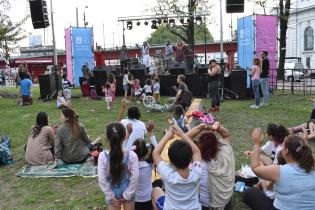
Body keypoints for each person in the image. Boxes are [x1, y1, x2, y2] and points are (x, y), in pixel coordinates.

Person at [248, 128, 315, 210]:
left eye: (283, 146)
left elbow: (255, 168)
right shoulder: (311, 167)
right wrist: (304, 142)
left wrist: (256, 144)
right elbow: (306, 152)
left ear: (286, 151)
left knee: (251, 192)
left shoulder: (280, 171)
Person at [151, 125, 202, 210]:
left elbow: (155, 153)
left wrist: (167, 135)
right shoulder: (197, 172)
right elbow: (196, 152)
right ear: (190, 159)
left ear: (170, 161)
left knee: (155, 190)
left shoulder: (168, 174)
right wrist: (182, 134)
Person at [188, 123, 234, 210]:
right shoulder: (225, 153)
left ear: (199, 146)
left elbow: (186, 138)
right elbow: (226, 135)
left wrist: (201, 127)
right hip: (224, 203)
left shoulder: (198, 162)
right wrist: (217, 127)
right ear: (217, 144)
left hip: (206, 206)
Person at [98, 122, 139, 210]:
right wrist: (127, 194)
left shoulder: (102, 156)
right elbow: (135, 177)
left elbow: (102, 179)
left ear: (107, 138)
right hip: (128, 189)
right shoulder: (132, 156)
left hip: (111, 190)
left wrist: (110, 196)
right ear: (125, 137)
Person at [133, 134, 157, 210]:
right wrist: (151, 133)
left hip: (135, 201)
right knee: (158, 182)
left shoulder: (130, 166)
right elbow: (157, 150)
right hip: (148, 199)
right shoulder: (149, 163)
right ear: (146, 152)